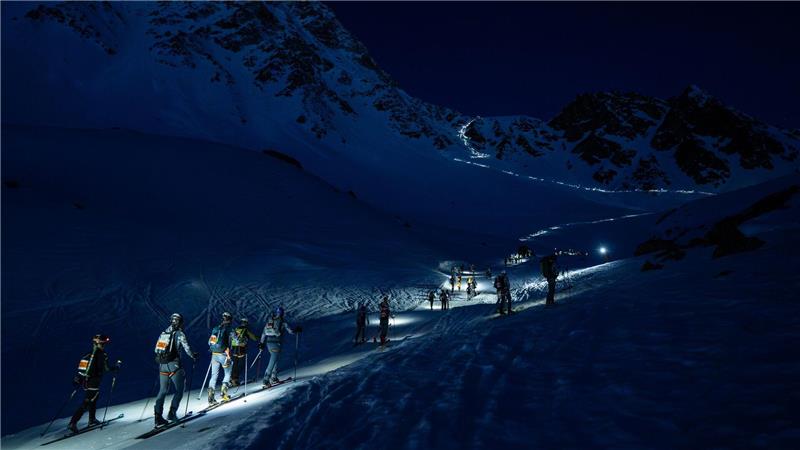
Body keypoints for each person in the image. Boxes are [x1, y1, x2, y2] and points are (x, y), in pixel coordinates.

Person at [153, 313, 197, 426]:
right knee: (180, 389)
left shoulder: (164, 333)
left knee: (163, 390)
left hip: (162, 365)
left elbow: (156, 350)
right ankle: (172, 413)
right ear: (180, 322)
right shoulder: (180, 334)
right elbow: (187, 348)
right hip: (174, 365)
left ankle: (158, 416)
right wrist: (193, 356)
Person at [67, 335, 119, 433]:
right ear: (100, 344)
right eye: (103, 344)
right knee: (88, 401)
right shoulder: (102, 354)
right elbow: (106, 368)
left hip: (86, 381)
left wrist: (79, 378)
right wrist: (115, 367)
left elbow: (81, 367)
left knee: (94, 397)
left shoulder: (88, 354)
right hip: (94, 381)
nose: (104, 346)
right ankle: (73, 422)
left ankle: (92, 419)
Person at [259, 306, 300, 387]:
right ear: (282, 314)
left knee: (275, 359)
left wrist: (261, 343)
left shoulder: (270, 321)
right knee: (272, 361)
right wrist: (296, 330)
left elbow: (263, 333)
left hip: (268, 343)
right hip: (276, 343)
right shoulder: (282, 321)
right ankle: (266, 379)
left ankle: (273, 377)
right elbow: (290, 331)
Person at [207, 312, 234, 404]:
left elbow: (210, 342)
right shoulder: (229, 329)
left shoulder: (216, 328)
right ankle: (224, 393)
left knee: (214, 375)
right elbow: (236, 339)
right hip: (224, 354)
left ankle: (211, 397)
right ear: (230, 319)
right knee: (228, 372)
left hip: (214, 354)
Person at [230, 317, 259, 386]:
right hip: (241, 348)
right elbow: (254, 338)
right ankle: (235, 379)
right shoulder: (245, 330)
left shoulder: (236, 329)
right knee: (241, 364)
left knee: (235, 363)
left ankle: (232, 379)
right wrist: (259, 338)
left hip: (234, 348)